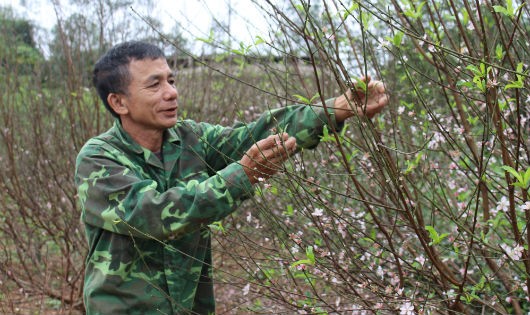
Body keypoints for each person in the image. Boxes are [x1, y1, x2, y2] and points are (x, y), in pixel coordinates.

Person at [75, 40, 388, 314]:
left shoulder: (190, 138)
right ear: (119, 102)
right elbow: (153, 214)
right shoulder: (98, 158)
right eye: (154, 85)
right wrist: (242, 175)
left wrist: (336, 109)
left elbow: (258, 133)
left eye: (171, 80)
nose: (171, 93)